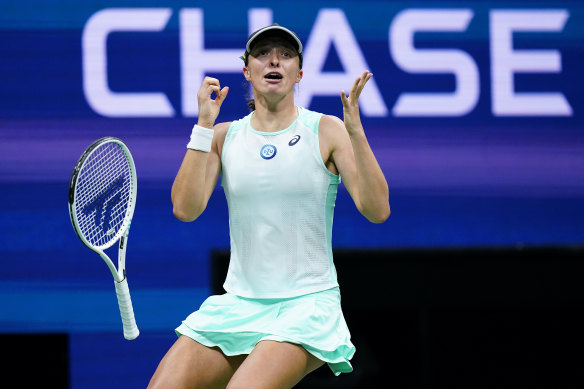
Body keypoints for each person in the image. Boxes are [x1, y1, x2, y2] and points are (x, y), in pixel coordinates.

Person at [148, 23, 390, 389]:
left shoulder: (325, 130)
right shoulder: (223, 136)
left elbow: (377, 210)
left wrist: (356, 133)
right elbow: (185, 208)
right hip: (239, 304)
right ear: (247, 70)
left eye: (286, 54)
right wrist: (202, 125)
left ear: (299, 73)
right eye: (262, 53)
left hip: (306, 306)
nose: (274, 59)